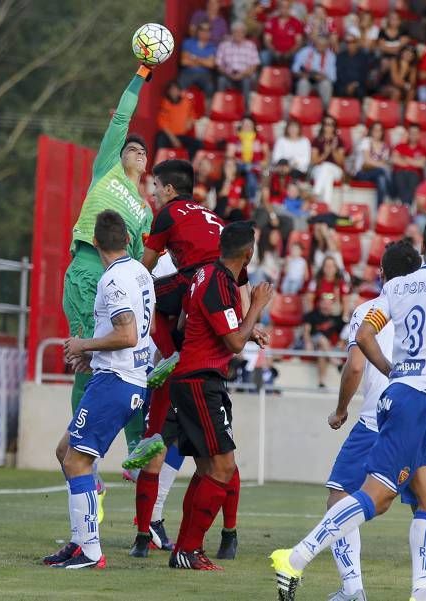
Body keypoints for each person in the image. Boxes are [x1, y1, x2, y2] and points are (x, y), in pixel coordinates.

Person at [270, 212, 426, 601]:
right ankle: (296, 557)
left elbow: (365, 334)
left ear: (424, 247)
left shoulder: (398, 287)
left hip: (404, 399)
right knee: (377, 498)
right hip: (417, 402)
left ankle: (422, 590)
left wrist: (392, 369)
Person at [126, 160, 234, 559]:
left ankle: (168, 358)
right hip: (215, 304)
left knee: (146, 289)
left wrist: (121, 283)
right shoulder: (212, 216)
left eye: (155, 186)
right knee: (220, 459)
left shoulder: (167, 215)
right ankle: (216, 539)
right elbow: (230, 280)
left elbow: (145, 268)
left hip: (194, 295)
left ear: (169, 190)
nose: (152, 192)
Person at [44, 210, 155, 569]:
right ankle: (79, 542)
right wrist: (90, 358)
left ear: (95, 243)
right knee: (66, 451)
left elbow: (127, 334)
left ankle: (91, 550)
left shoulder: (112, 281)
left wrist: (83, 345)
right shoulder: (140, 272)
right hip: (124, 377)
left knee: (78, 461)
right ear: (126, 239)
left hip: (116, 381)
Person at [63, 66, 154, 475]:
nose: (138, 150)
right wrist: (142, 72)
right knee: (86, 358)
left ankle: (133, 449)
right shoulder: (108, 171)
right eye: (131, 148)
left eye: (143, 151)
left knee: (124, 360)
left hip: (118, 277)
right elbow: (122, 117)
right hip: (86, 267)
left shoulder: (145, 210)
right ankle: (84, 453)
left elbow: (141, 257)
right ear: (117, 156)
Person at [168, 222, 274, 570]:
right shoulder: (218, 281)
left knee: (205, 469)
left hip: (194, 378)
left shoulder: (207, 276)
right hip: (201, 381)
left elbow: (184, 325)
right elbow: (232, 342)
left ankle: (184, 550)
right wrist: (256, 307)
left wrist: (243, 328)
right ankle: (189, 549)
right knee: (223, 466)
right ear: (248, 254)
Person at [324, 239, 422, 600]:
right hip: (419, 418)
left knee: (340, 497)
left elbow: (355, 366)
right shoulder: (425, 312)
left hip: (377, 419)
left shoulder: (371, 311)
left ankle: (353, 590)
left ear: (382, 273)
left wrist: (340, 410)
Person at [303, 294, 346, 388]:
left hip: (326, 348)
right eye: (324, 302)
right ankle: (335, 362)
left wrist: (342, 343)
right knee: (321, 338)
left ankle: (321, 382)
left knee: (321, 352)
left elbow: (345, 333)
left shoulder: (336, 318)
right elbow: (306, 332)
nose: (326, 305)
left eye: (329, 303)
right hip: (313, 342)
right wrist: (308, 343)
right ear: (320, 303)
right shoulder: (312, 315)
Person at [215, 22, 261, 109]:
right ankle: (220, 107)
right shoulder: (224, 45)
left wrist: (242, 74)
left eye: (241, 32)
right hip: (228, 75)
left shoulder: (251, 46)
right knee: (221, 80)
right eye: (236, 32)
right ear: (232, 33)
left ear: (244, 33)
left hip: (245, 75)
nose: (238, 34)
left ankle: (245, 109)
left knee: (247, 81)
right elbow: (218, 65)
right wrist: (228, 73)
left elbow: (254, 66)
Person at [226, 116, 270, 202]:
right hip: (239, 165)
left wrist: (263, 163)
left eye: (249, 124)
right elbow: (230, 155)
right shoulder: (235, 139)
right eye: (244, 124)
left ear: (253, 126)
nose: (246, 126)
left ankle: (250, 201)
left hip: (255, 166)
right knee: (246, 169)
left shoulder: (260, 139)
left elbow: (266, 155)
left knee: (251, 175)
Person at [155, 81, 202, 161]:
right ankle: (161, 163)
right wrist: (173, 139)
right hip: (170, 136)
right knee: (160, 138)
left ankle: (186, 163)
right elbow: (162, 123)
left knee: (198, 144)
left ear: (179, 91)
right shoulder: (165, 103)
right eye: (171, 90)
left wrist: (190, 121)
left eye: (175, 90)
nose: (173, 92)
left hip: (182, 136)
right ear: (168, 92)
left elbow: (193, 114)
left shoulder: (186, 101)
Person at [351, 121, 392, 207]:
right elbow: (367, 162)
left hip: (376, 174)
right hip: (361, 173)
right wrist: (382, 165)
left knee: (381, 179)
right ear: (371, 131)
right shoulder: (366, 141)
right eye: (375, 130)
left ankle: (380, 208)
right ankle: (392, 192)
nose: (377, 132)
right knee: (383, 171)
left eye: (380, 130)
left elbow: (381, 163)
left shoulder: (384, 146)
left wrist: (381, 166)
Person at [310, 116, 345, 208]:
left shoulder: (339, 141)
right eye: (326, 124)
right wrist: (325, 154)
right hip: (318, 169)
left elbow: (341, 162)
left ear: (335, 127)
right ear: (323, 126)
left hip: (336, 170)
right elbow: (314, 161)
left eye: (331, 125)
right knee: (328, 176)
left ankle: (315, 193)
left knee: (327, 166)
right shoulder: (317, 140)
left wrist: (333, 150)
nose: (329, 127)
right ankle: (326, 206)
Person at [292, 36, 337, 105]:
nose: (321, 47)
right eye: (319, 44)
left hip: (321, 80)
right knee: (303, 83)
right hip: (307, 78)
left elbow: (333, 77)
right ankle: (301, 109)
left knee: (326, 85)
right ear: (315, 44)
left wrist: (322, 77)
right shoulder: (305, 51)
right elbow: (295, 69)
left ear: (327, 46)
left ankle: (325, 110)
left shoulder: (331, 56)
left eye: (323, 45)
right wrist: (303, 75)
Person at [391, 124, 426, 207]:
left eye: (415, 133)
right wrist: (413, 162)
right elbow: (394, 160)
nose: (413, 135)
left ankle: (405, 205)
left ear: (419, 135)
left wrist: (405, 158)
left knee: (412, 177)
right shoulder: (400, 146)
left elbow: (421, 164)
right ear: (408, 134)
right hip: (399, 174)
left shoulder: (423, 149)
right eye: (411, 133)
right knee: (400, 176)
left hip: (415, 175)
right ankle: (407, 205)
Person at [178, 22, 218, 96]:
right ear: (198, 31)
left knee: (210, 88)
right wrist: (204, 61)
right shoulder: (188, 42)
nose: (204, 32)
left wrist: (193, 57)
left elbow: (211, 64)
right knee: (179, 85)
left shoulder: (212, 46)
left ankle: (206, 108)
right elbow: (184, 62)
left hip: (205, 74)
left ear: (210, 33)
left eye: (207, 30)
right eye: (202, 29)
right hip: (188, 72)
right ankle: (182, 106)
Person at [262, 0, 305, 65]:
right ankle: (267, 74)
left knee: (299, 56)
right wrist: (274, 52)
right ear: (278, 8)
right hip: (274, 52)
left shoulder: (296, 22)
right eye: (282, 7)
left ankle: (294, 75)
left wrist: (290, 53)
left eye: (286, 7)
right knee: (264, 56)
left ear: (290, 8)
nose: (284, 9)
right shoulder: (271, 21)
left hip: (291, 52)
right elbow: (267, 40)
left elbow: (298, 42)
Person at [336, 29, 373, 98]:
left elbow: (364, 73)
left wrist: (354, 84)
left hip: (359, 84)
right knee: (339, 90)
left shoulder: (363, 57)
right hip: (343, 84)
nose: (350, 44)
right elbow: (339, 73)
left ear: (357, 43)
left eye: (353, 42)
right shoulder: (340, 56)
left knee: (361, 91)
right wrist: (347, 85)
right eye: (348, 42)